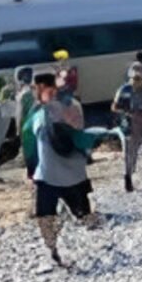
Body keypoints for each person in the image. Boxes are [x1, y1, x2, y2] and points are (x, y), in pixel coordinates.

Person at [28, 76, 96, 266]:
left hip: (66, 174)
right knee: (47, 216)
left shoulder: (64, 107)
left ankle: (95, 242)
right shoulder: (39, 111)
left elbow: (75, 131)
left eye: (37, 88)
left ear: (43, 88)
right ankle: (54, 252)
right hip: (51, 175)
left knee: (82, 217)